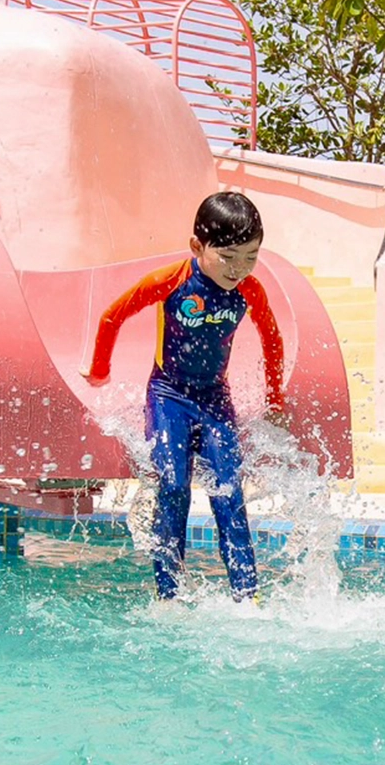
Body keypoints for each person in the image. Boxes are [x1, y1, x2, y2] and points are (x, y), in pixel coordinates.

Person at [83, 191, 285, 601]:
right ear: (198, 246)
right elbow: (112, 315)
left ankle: (248, 595)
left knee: (228, 488)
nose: (239, 268)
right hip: (168, 395)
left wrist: (275, 400)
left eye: (250, 256)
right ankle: (169, 593)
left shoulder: (250, 291)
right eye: (228, 256)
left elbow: (273, 339)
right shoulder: (172, 280)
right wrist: (100, 370)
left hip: (215, 400)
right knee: (174, 485)